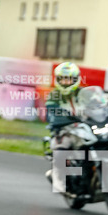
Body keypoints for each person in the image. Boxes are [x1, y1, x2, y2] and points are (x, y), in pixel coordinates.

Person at [44, 61, 84, 194]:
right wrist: (62, 115)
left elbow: (97, 103)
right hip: (63, 130)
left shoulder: (83, 93)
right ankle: (60, 179)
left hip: (84, 129)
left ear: (76, 79)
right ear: (58, 80)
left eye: (69, 79)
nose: (66, 82)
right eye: (63, 79)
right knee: (61, 148)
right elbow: (51, 109)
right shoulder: (54, 95)